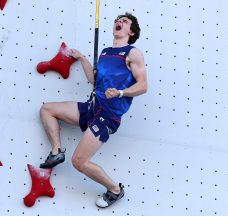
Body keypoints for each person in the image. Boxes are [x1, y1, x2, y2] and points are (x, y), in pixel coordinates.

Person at [39, 12, 147, 208]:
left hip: (107, 116)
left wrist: (121, 93)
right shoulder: (105, 52)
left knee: (79, 162)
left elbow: (143, 86)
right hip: (92, 107)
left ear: (130, 32)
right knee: (47, 110)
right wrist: (82, 58)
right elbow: (94, 80)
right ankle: (56, 151)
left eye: (125, 21)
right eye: (117, 20)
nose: (119, 22)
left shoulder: (132, 53)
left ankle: (115, 190)